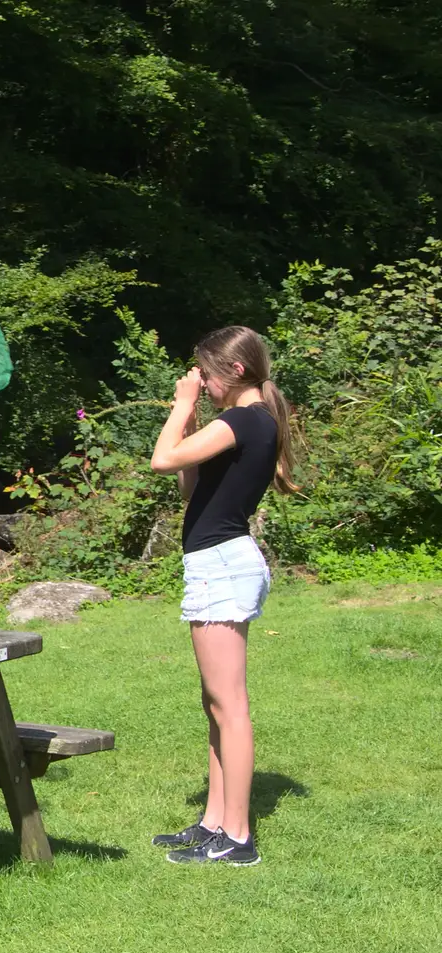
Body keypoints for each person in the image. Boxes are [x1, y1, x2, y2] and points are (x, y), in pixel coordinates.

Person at [149, 326, 299, 867]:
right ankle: (214, 822)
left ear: (234, 371)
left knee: (229, 703)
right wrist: (189, 421)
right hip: (216, 562)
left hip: (222, 565)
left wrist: (180, 405)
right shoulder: (247, 422)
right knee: (214, 702)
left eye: (206, 374)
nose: (202, 383)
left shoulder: (243, 419)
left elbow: (161, 460)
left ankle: (237, 835)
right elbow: (193, 488)